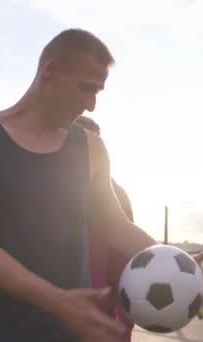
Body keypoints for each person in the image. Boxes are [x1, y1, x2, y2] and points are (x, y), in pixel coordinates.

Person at [0, 28, 203, 342]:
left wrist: (179, 266)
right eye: (85, 88)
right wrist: (58, 301)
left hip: (62, 333)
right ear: (50, 71)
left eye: (98, 92)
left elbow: (115, 226)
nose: (91, 105)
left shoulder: (91, 147)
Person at [75, 115, 134, 342]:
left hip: (100, 318)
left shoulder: (116, 194)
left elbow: (125, 258)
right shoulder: (42, 187)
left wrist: (125, 318)